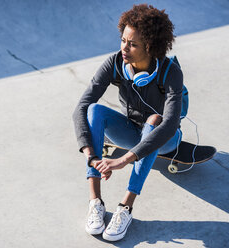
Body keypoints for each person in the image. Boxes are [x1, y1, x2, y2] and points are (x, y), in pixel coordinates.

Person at [72, 4, 183, 242]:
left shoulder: (170, 71)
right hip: (131, 132)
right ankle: (95, 202)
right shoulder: (114, 63)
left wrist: (124, 160)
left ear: (150, 47)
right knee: (94, 110)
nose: (124, 48)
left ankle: (126, 207)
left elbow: (171, 123)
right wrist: (91, 155)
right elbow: (81, 107)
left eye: (132, 44)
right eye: (123, 40)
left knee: (155, 120)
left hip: (164, 139)